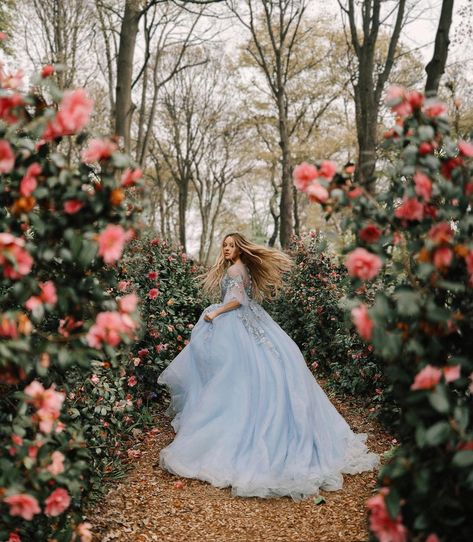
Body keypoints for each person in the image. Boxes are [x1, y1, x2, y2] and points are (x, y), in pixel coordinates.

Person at [157, 232, 380, 501]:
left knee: (235, 373)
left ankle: (230, 418)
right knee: (246, 372)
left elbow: (238, 301)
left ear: (240, 248)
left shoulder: (238, 269)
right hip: (250, 321)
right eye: (225, 245)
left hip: (237, 321)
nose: (227, 249)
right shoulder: (241, 267)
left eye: (231, 245)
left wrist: (215, 312)